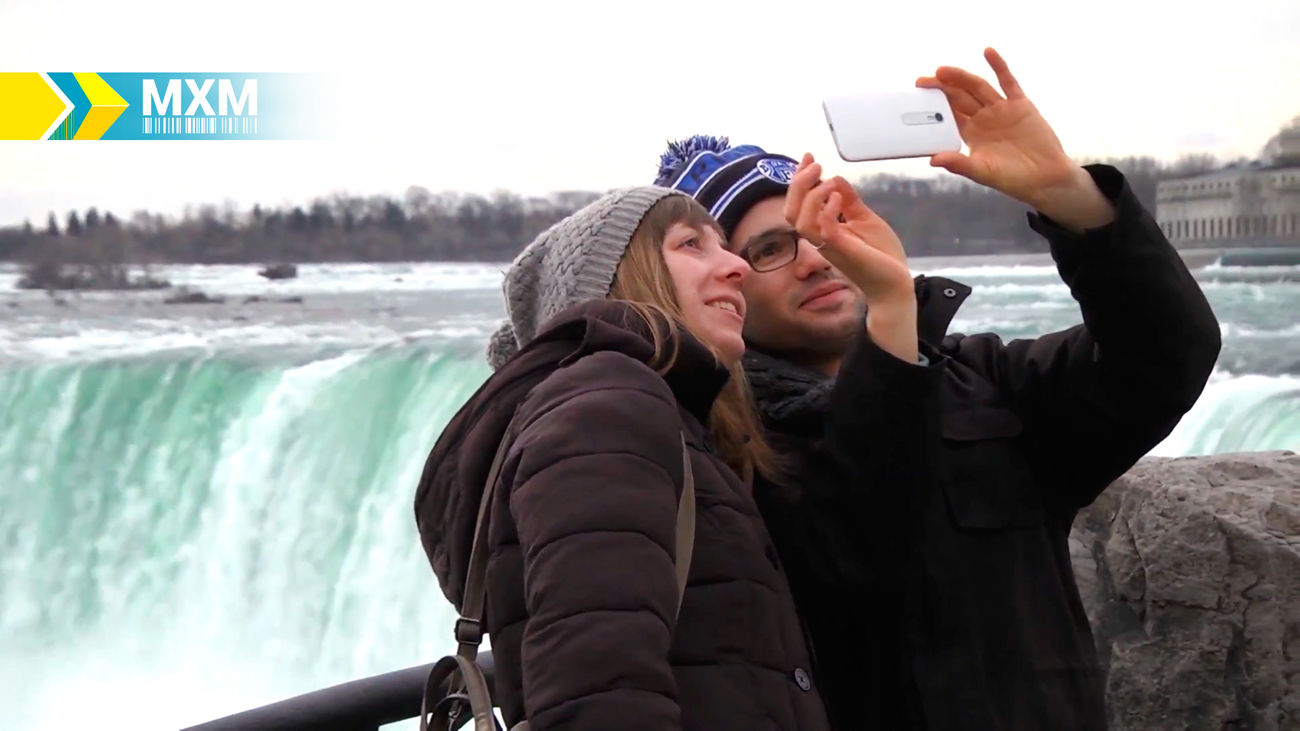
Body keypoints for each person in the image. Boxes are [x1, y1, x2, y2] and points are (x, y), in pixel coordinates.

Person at [654, 48, 1222, 730]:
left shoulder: (986, 384)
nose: (817, 256)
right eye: (774, 248)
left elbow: (1164, 355)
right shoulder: (716, 444)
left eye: (828, 223)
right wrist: (896, 319)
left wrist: (1069, 197)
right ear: (725, 284)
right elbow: (856, 553)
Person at [414, 187, 848, 730]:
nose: (736, 265)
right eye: (692, 244)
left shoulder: (651, 414)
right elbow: (599, 688)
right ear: (618, 279)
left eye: (724, 246)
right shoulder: (609, 402)